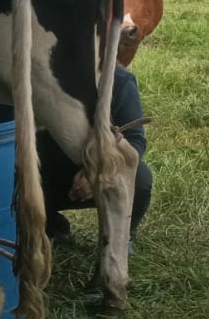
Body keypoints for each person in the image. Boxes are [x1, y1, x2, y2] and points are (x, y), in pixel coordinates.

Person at [43, 65, 153, 247]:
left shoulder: (119, 80)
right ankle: (49, 224)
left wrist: (101, 170)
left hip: (96, 168)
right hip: (44, 172)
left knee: (140, 180)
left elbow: (135, 139)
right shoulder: (42, 74)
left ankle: (124, 234)